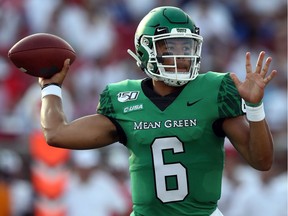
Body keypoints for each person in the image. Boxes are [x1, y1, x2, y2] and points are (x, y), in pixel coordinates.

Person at [38, 6, 277, 216]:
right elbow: (57, 134)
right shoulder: (123, 99)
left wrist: (255, 107)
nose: (181, 56)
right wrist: (51, 87)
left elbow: (262, 161)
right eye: (170, 47)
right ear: (145, 50)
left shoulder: (214, 90)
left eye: (187, 47)